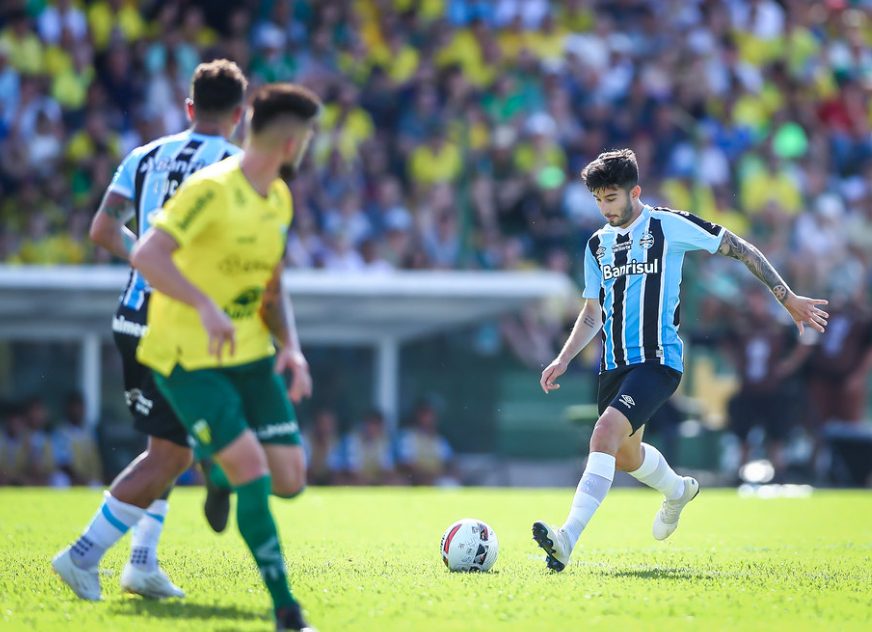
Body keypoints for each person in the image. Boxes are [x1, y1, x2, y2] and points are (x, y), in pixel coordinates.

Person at [532, 149, 829, 572]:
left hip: (658, 363)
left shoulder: (667, 225)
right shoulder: (597, 244)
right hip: (613, 367)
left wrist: (787, 298)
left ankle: (566, 539)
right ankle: (678, 491)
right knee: (626, 457)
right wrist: (563, 358)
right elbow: (592, 311)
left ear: (635, 192)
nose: (605, 208)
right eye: (598, 200)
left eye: (612, 198)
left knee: (603, 435)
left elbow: (739, 247)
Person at [52, 59, 247, 601]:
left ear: (189, 108)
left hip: (131, 314)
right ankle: (82, 555)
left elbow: (102, 229)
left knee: (166, 443)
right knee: (173, 455)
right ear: (239, 114)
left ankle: (142, 562)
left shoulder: (143, 156)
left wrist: (149, 258)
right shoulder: (236, 166)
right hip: (179, 324)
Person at [130, 82, 321, 631]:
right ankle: (287, 609)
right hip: (187, 356)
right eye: (306, 137)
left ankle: (214, 471)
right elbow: (147, 254)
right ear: (290, 142)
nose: (307, 148)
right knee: (255, 472)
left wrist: (292, 348)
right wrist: (204, 305)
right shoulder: (209, 190)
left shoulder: (279, 198)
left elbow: (272, 284)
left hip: (250, 354)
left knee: (290, 479)